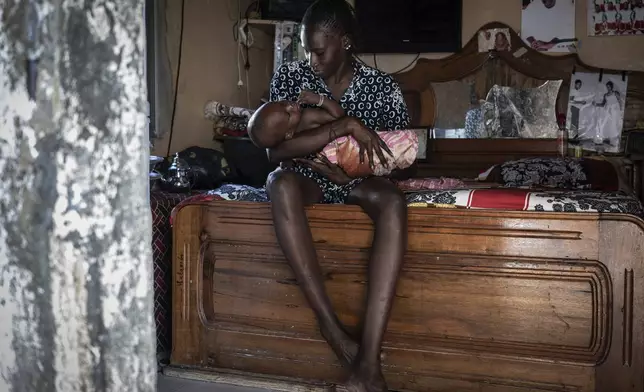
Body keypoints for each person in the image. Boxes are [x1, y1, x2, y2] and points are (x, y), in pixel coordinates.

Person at [265, 0, 410, 390]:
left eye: (319, 50)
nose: (310, 60)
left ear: (344, 42)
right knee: (279, 182)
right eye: (306, 49)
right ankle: (332, 329)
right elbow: (274, 150)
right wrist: (340, 128)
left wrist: (348, 173)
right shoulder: (289, 79)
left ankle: (368, 366)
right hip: (309, 177)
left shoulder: (383, 88)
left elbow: (396, 159)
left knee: (394, 202)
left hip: (357, 182)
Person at [247, 93, 417, 178]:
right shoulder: (283, 139)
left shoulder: (307, 116)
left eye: (283, 103)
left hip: (345, 150)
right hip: (325, 170)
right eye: (288, 115)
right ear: (288, 134)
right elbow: (275, 153)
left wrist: (320, 100)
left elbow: (338, 116)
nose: (291, 106)